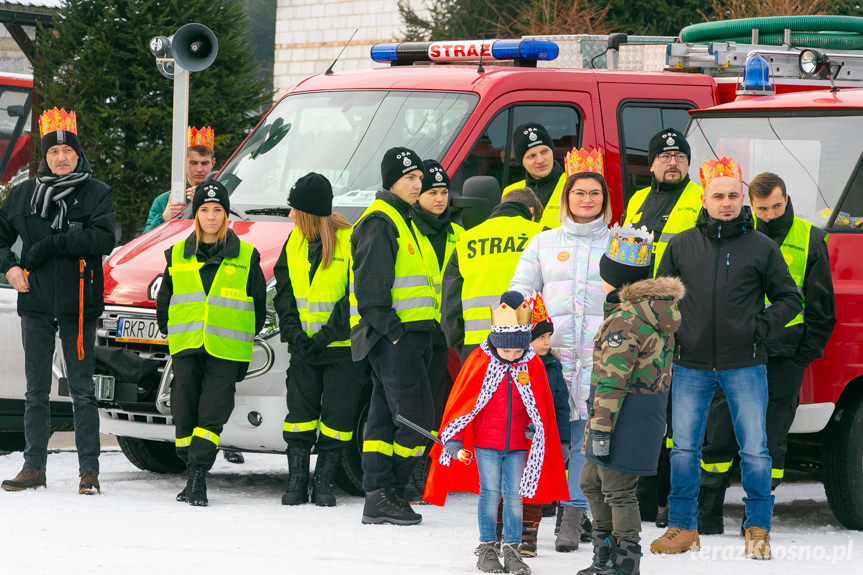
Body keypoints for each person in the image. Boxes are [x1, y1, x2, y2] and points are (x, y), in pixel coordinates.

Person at [650, 158, 802, 560]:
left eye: (734, 195)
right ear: (704, 199)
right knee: (683, 448)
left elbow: (790, 298)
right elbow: (660, 299)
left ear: (744, 200)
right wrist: (674, 332)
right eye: (718, 195)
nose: (727, 202)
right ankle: (682, 527)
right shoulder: (681, 245)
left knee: (755, 449)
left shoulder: (762, 247)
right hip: (689, 364)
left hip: (745, 364)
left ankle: (757, 529)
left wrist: (760, 328)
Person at [696, 171, 836, 534]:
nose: (770, 215)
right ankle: (708, 510)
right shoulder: (741, 235)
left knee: (772, 438)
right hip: (739, 349)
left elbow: (821, 305)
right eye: (762, 209)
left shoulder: (809, 237)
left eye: (776, 206)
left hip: (786, 352)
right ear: (751, 206)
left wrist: (803, 354)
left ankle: (756, 517)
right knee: (721, 427)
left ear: (786, 200)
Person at [0, 107, 115, 494]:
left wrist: (50, 245)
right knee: (35, 391)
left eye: (67, 152)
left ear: (78, 154)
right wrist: (10, 267)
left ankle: (89, 472)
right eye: (52, 152)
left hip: (79, 304)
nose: (61, 158)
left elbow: (101, 239)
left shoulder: (97, 193)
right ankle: (33, 467)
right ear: (45, 157)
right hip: (35, 303)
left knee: (82, 391)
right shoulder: (23, 194)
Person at [424, 290, 569, 575]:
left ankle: (512, 549)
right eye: (507, 352)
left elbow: (538, 406)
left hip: (517, 445)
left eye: (518, 351)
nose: (513, 357)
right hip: (486, 445)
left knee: (514, 496)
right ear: (496, 343)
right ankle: (488, 547)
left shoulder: (531, 363)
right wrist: (453, 439)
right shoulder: (479, 361)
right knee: (490, 494)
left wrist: (534, 427)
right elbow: (462, 404)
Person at [509, 148, 612, 552]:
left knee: (586, 437)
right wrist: (530, 333)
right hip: (551, 360)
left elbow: (633, 298)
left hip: (601, 358)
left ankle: (571, 516)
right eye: (579, 193)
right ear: (566, 197)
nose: (587, 200)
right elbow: (520, 291)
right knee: (546, 438)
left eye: (595, 194)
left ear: (604, 199)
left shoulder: (621, 242)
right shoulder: (543, 242)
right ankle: (530, 517)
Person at [578, 224, 684, 575]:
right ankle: (604, 553)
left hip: (622, 416)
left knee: (617, 488)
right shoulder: (642, 313)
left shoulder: (626, 321)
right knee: (591, 481)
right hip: (638, 414)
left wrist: (602, 431)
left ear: (614, 277)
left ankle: (624, 562)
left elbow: (612, 382)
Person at [156, 181, 267, 506]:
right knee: (185, 410)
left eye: (217, 210)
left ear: (226, 214)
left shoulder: (246, 256)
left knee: (212, 411)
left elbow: (257, 306)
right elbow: (166, 300)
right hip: (187, 345)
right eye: (204, 209)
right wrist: (171, 332)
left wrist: (241, 336)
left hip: (226, 350)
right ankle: (191, 468)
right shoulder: (177, 254)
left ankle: (198, 476)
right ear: (196, 214)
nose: (211, 216)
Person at [349, 147, 438, 525]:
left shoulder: (404, 218)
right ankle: (393, 490)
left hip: (404, 336)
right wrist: (396, 334)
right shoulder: (381, 220)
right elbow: (371, 288)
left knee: (384, 420)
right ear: (391, 182)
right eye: (409, 178)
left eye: (419, 177)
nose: (418, 184)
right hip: (392, 337)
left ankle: (378, 496)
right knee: (417, 418)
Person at [274, 172, 370, 507]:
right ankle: (297, 482)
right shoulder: (294, 242)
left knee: (337, 418)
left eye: (293, 209)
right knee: (299, 415)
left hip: (341, 349)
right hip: (303, 349)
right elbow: (283, 295)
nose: (289, 216)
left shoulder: (349, 241)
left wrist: (327, 336)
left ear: (308, 212)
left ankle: (324, 484)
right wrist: (295, 335)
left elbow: (354, 299)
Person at [622, 128, 701, 526]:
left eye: (680, 156)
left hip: (679, 321)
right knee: (644, 412)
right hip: (639, 324)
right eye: (665, 156)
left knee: (674, 417)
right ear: (651, 164)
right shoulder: (638, 200)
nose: (673, 161)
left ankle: (673, 497)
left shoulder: (701, 197)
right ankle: (645, 498)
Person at [407, 159, 464, 500]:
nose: (440, 199)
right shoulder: (408, 231)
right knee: (417, 407)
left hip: (448, 337)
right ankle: (412, 476)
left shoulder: (460, 235)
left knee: (443, 407)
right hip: (414, 331)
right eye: (432, 192)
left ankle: (433, 475)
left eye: (444, 192)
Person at [441, 188, 544, 360]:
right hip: (528, 343)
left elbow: (450, 303)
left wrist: (461, 346)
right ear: (531, 211)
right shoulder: (541, 235)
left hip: (477, 346)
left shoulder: (466, 240)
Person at [517, 291, 571, 558]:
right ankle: (505, 532)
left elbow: (562, 407)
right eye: (541, 337)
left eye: (548, 337)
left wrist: (563, 441)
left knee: (535, 492)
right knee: (510, 489)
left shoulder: (553, 367)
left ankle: (529, 537)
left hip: (543, 442)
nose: (547, 342)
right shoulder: (515, 367)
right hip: (516, 442)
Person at [143, 126, 216, 232]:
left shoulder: (228, 194)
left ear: (212, 163)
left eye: (204, 163)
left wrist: (205, 201)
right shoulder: (164, 201)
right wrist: (163, 218)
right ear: (184, 162)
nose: (199, 169)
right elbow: (145, 240)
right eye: (193, 163)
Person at [502, 123, 566, 229]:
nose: (540, 160)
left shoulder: (574, 185)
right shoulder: (510, 192)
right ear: (521, 161)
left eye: (544, 151)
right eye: (531, 156)